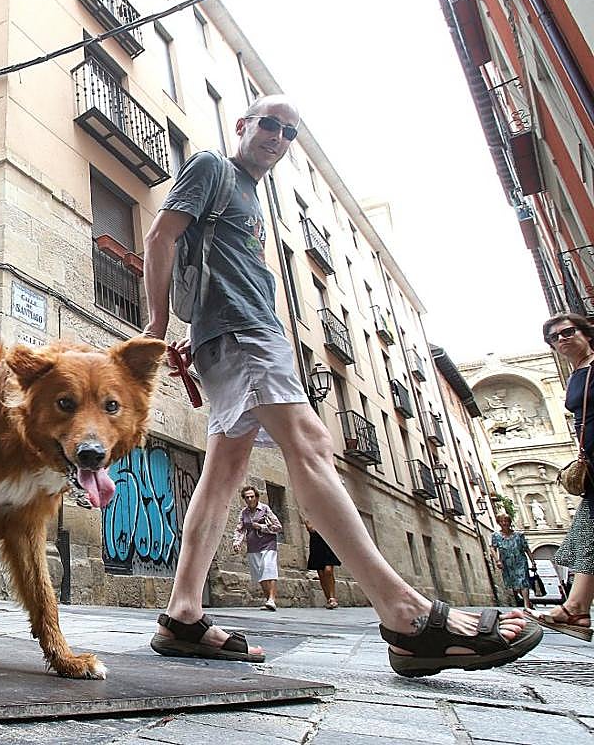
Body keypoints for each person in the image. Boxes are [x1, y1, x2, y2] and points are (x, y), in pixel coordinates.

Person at [142, 94, 540, 675]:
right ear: (243, 124)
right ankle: (404, 613)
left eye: (289, 132)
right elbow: (161, 237)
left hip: (234, 334)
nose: (278, 137)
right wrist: (157, 323)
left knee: (222, 473)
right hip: (244, 333)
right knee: (309, 443)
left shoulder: (252, 195)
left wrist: (194, 328)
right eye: (269, 125)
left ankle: (182, 613)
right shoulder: (213, 167)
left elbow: (203, 261)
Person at [532, 314, 594, 642]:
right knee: (587, 530)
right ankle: (577, 609)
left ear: (585, 333)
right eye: (554, 338)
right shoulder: (576, 374)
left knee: (587, 530)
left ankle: (576, 609)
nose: (561, 340)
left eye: (568, 332)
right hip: (592, 461)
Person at [232, 486, 282, 610]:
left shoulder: (265, 509)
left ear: (257, 497)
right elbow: (240, 529)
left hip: (268, 544)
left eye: (252, 496)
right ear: (244, 499)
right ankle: (268, 601)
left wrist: (261, 527)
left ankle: (272, 599)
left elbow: (278, 527)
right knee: (259, 573)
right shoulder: (244, 513)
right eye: (247, 497)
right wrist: (237, 542)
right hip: (253, 545)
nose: (250, 499)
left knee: (268, 569)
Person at [490, 511, 534, 611]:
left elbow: (526, 548)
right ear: (498, 523)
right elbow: (492, 548)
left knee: (523, 581)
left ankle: (526, 605)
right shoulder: (495, 536)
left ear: (509, 522)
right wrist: (497, 561)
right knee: (514, 584)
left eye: (506, 520)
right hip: (507, 562)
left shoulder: (519, 535)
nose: (504, 523)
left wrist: (533, 561)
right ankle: (526, 600)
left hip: (520, 560)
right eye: (501, 521)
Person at [304, 518, 340, 609]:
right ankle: (328, 598)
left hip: (328, 542)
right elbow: (311, 528)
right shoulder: (309, 515)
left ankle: (332, 597)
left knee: (328, 570)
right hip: (317, 543)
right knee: (321, 573)